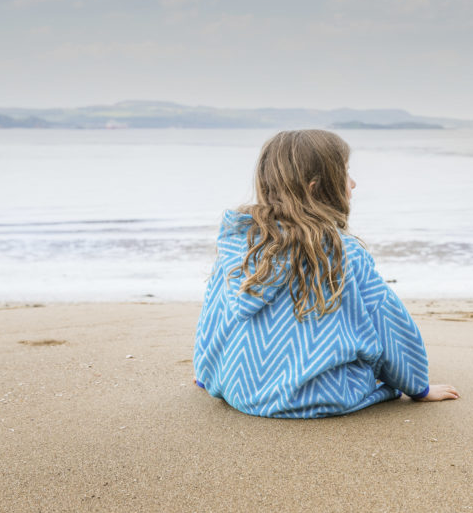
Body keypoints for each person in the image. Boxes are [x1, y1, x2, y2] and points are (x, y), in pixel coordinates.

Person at [193, 129, 459, 418]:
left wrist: (205, 375)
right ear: (316, 188)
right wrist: (417, 386)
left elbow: (215, 313)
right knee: (376, 369)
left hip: (241, 392)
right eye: (345, 173)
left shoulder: (241, 243)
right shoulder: (343, 252)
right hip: (322, 395)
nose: (353, 183)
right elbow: (388, 321)